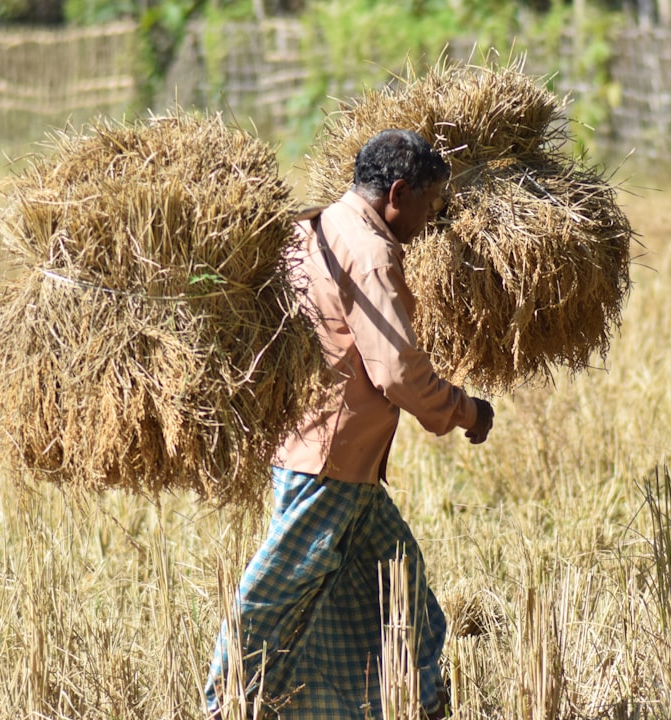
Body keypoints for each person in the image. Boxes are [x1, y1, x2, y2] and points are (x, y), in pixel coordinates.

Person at [203, 129, 495, 719]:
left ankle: (415, 703)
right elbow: (397, 373)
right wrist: (465, 410)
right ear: (397, 192)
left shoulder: (311, 226)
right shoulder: (372, 251)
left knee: (402, 593)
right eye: (428, 204)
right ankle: (223, 704)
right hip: (330, 463)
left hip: (324, 452)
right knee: (273, 597)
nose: (429, 219)